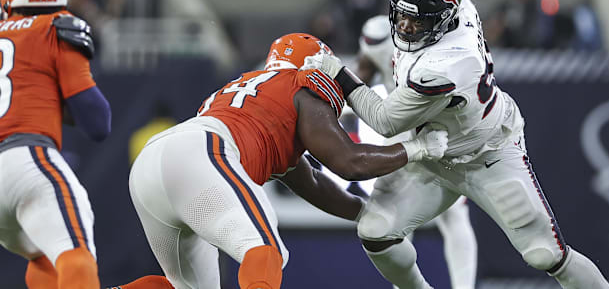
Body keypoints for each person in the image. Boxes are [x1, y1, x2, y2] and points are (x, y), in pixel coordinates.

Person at [304, 0, 609, 289]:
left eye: (415, 20)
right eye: (401, 14)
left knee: (546, 255)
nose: (405, 25)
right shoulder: (454, 1)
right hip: (432, 154)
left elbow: (383, 119)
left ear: (441, 19)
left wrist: (337, 72)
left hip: (487, 156)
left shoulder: (448, 63)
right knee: (376, 231)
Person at [111, 33, 448, 289]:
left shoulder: (246, 88)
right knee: (265, 250)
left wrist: (365, 212)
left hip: (155, 164)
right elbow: (350, 162)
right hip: (202, 152)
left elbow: (312, 182)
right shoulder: (301, 84)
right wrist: (417, 148)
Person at [0, 0, 111, 289]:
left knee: (43, 255)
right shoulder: (57, 25)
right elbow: (98, 123)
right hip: (27, 159)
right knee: (76, 255)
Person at [354, 15, 478, 289]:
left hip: (434, 124)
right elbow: (360, 80)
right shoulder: (380, 33)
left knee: (448, 214)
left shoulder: (444, 30)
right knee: (400, 217)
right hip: (415, 126)